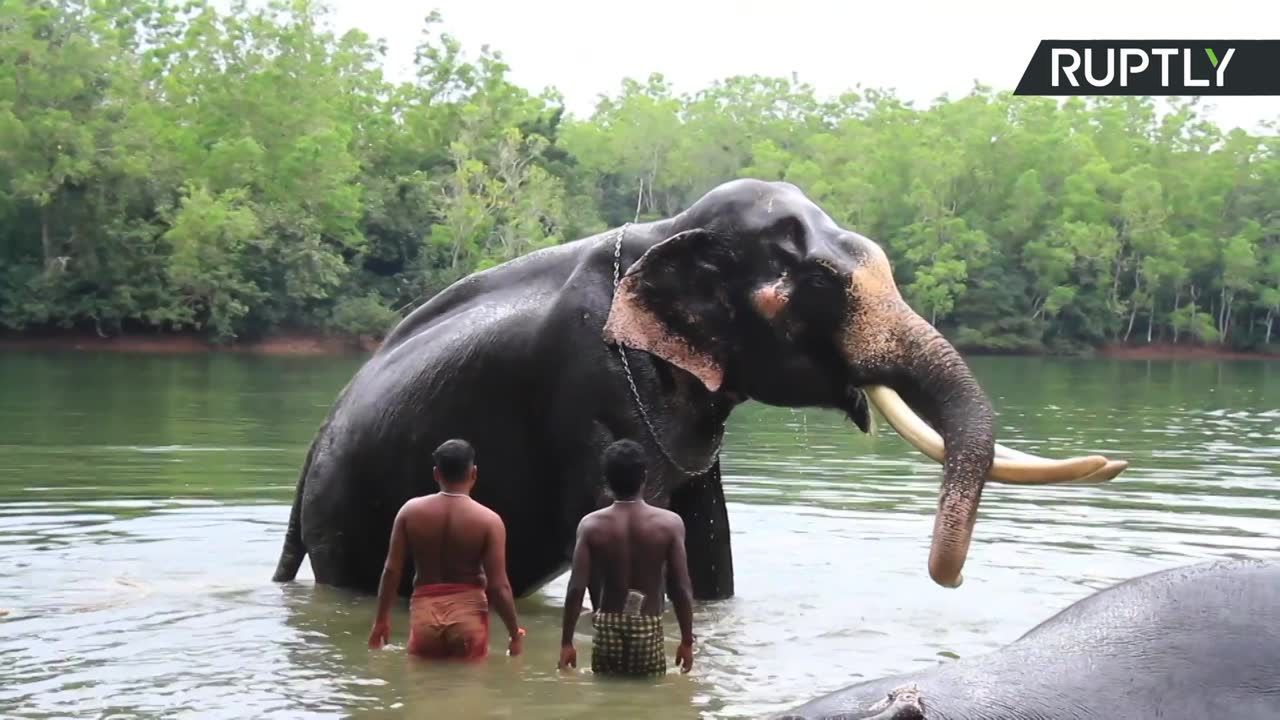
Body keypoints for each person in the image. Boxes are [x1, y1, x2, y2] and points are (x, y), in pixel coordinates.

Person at [368, 438, 524, 660]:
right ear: (474, 473)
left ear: (436, 474)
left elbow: (391, 571)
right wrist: (514, 632)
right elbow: (499, 586)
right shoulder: (489, 521)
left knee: (420, 681)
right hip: (468, 620)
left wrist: (381, 620)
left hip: (424, 617)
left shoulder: (409, 512)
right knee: (469, 682)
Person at [558, 439, 695, 677]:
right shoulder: (669, 524)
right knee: (649, 692)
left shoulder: (591, 525)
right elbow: (681, 588)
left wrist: (567, 643)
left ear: (607, 480)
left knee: (605, 690)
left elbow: (576, 588)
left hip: (607, 625)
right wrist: (686, 641)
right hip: (648, 625)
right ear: (644, 476)